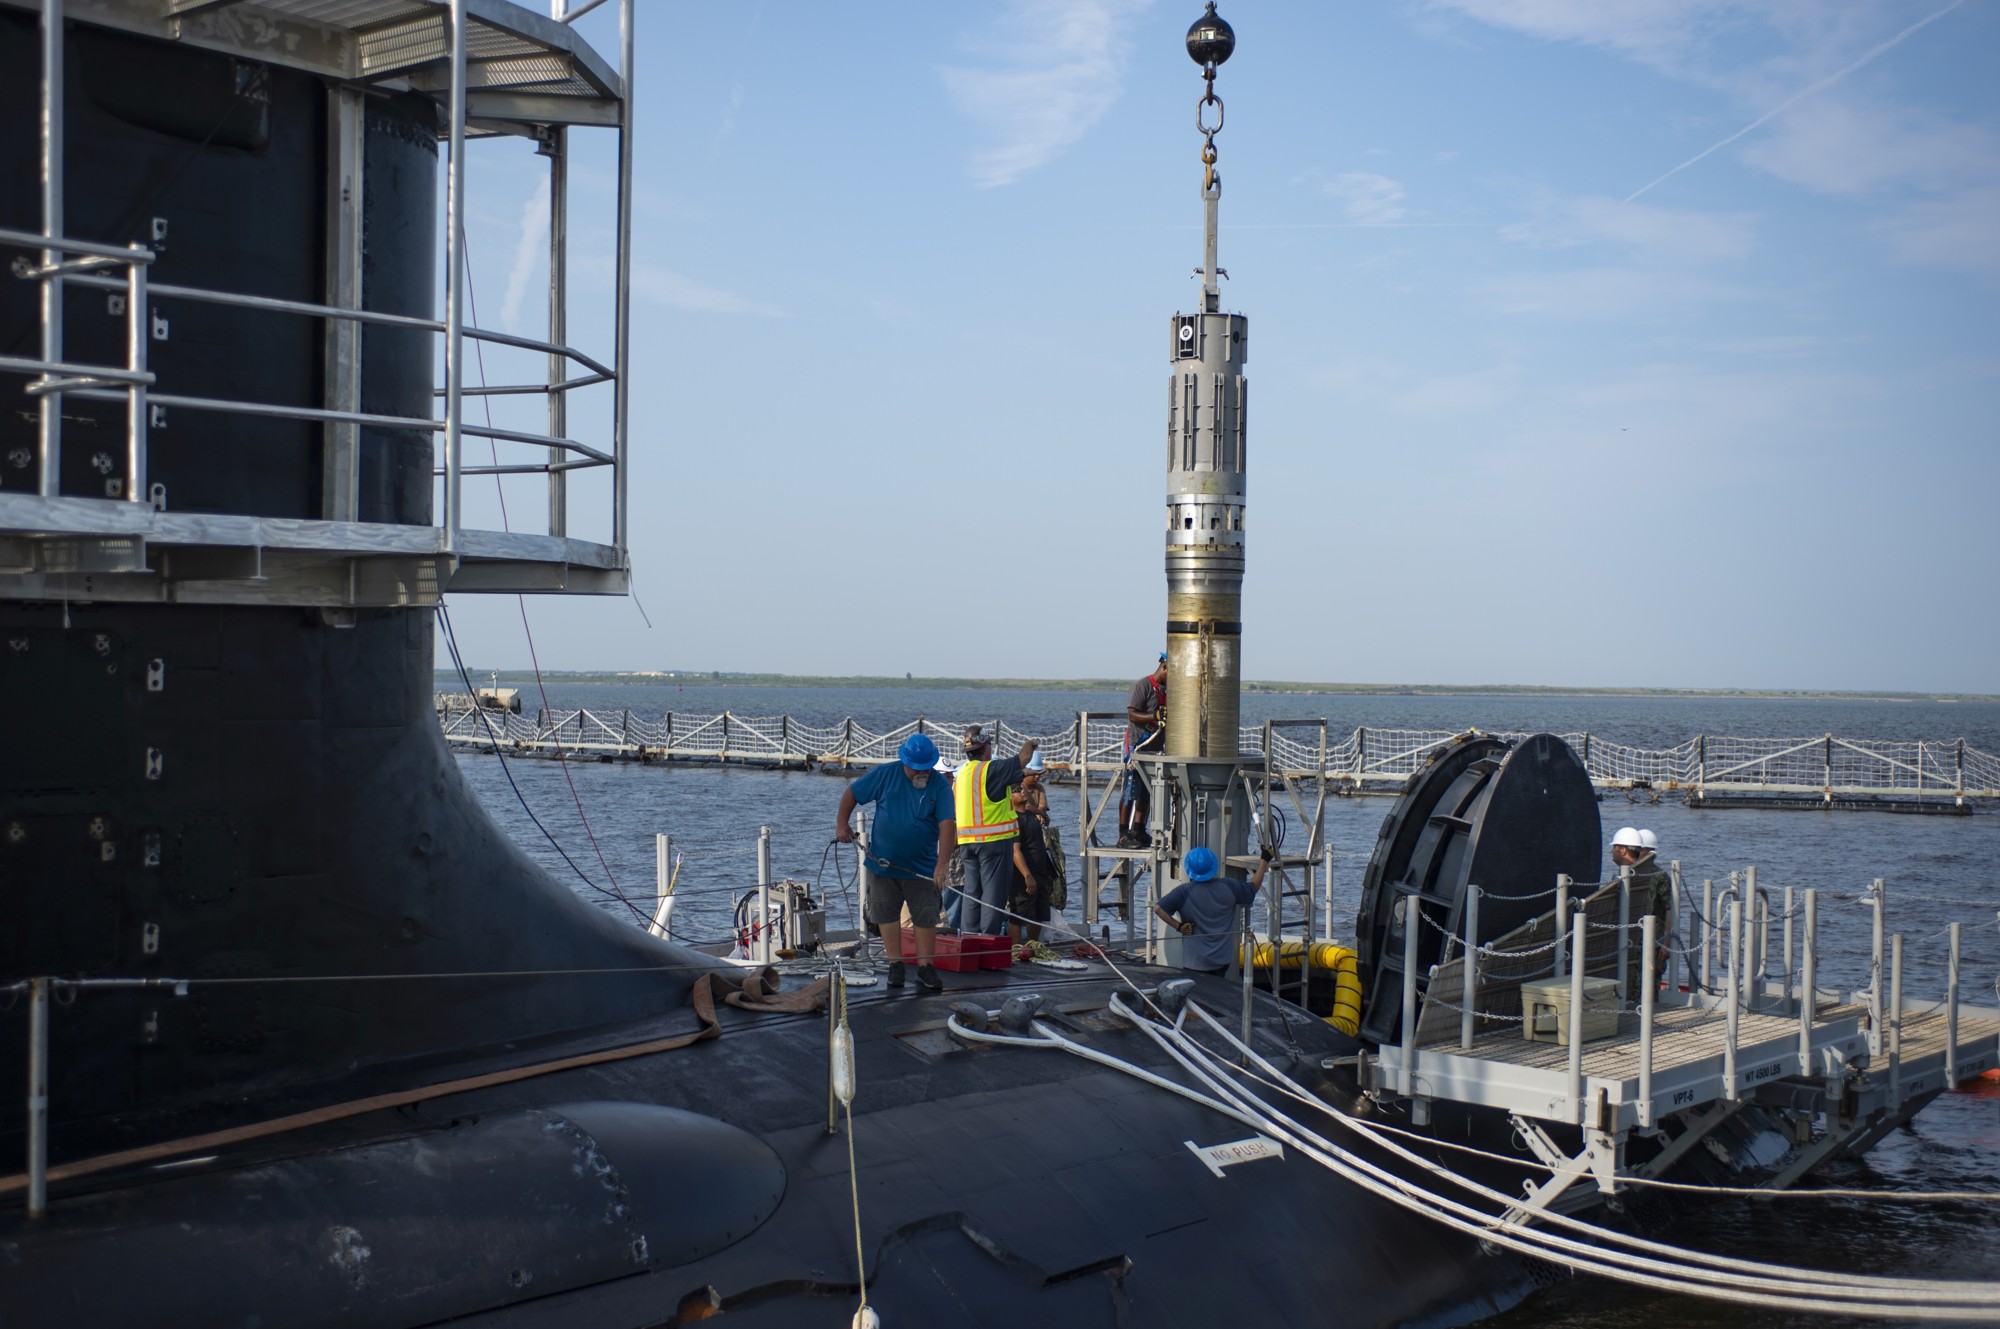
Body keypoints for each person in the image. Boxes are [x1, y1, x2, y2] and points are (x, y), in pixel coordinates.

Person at [836, 734, 956, 992]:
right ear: (905, 762)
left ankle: (925, 968)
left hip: (923, 867)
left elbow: (948, 824)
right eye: (916, 767)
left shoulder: (940, 786)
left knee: (926, 917)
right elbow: (852, 794)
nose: (920, 772)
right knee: (885, 914)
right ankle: (895, 965)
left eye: (926, 768)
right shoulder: (884, 774)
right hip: (883, 865)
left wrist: (942, 864)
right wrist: (841, 825)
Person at [953, 725, 1038, 936]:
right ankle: (988, 942)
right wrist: (1032, 743)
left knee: (972, 893)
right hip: (992, 842)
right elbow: (1024, 757)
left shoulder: (963, 773)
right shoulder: (990, 769)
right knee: (993, 895)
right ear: (986, 747)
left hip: (967, 843)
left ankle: (970, 939)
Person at [1152, 846, 1271, 976]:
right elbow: (1254, 886)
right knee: (1218, 992)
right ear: (1213, 866)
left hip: (1194, 962)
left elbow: (1158, 909)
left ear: (1189, 869)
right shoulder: (1229, 886)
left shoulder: (1184, 892)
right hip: (1221, 960)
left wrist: (1179, 926)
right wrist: (1264, 860)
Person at [1005, 751, 1057, 944]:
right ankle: (1016, 949)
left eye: (1022, 788)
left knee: (1040, 913)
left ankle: (1033, 946)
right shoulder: (1014, 819)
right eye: (1018, 790)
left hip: (1041, 871)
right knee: (1019, 914)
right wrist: (1027, 876)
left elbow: (1034, 811)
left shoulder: (1030, 817)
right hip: (1024, 875)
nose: (1023, 791)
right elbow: (1014, 850)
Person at [1120, 654, 1168, 847]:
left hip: (1155, 749)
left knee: (1146, 793)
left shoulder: (1167, 691)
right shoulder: (1142, 686)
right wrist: (1154, 715)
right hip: (1137, 746)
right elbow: (1132, 715)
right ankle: (1123, 834)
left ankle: (1138, 830)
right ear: (1164, 667)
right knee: (1130, 790)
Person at [1611, 825, 1672, 971]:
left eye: (1641, 849)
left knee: (1649, 984)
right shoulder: (1624, 873)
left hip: (1652, 939)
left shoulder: (1659, 876)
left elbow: (1669, 910)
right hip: (1630, 939)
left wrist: (1666, 944)